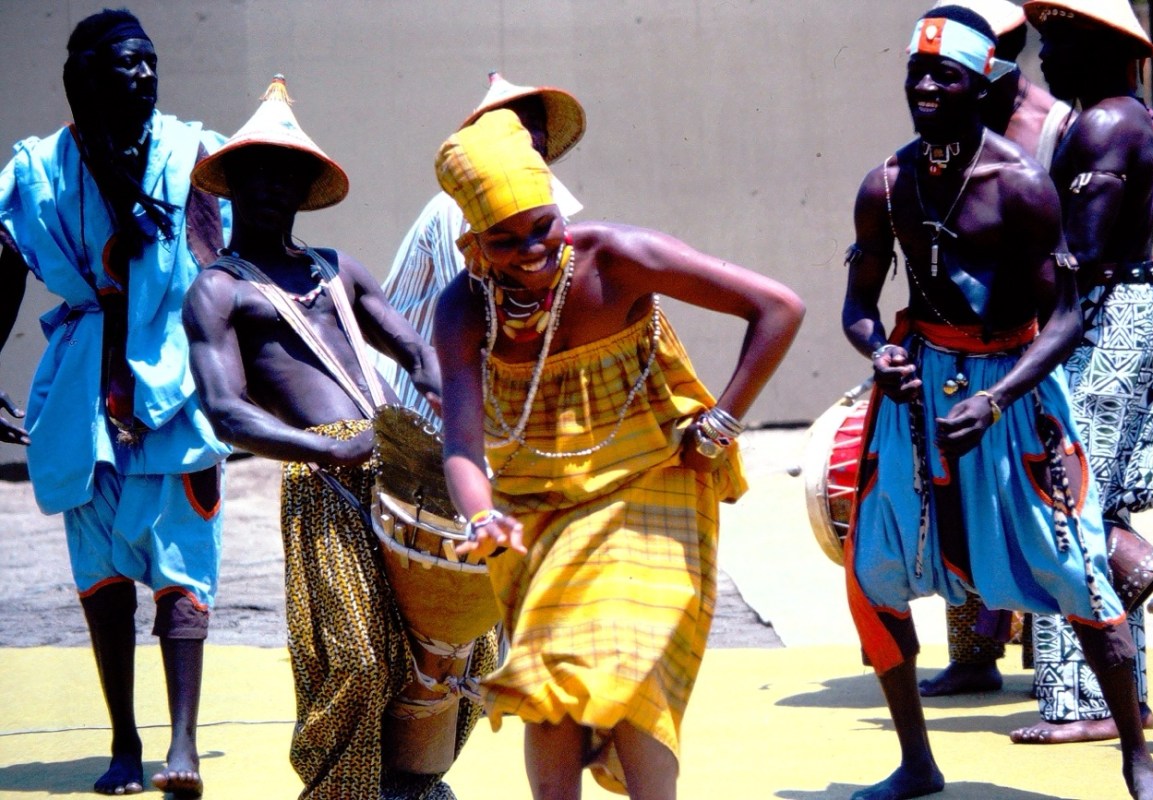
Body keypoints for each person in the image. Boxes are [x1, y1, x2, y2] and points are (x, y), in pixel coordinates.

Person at [841, 6, 1153, 800]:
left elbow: (1064, 317)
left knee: (1077, 568)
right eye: (915, 73)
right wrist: (878, 351)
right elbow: (857, 303)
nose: (925, 86)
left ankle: (1137, 759)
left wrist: (996, 400)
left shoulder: (1022, 187)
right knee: (876, 569)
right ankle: (918, 763)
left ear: (983, 82)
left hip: (1014, 393)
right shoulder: (885, 185)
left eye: (944, 75)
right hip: (918, 392)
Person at [432, 109, 802, 798]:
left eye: (541, 227)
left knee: (624, 664)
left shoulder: (619, 258)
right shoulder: (463, 309)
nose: (531, 251)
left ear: (558, 209)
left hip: (653, 482)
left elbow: (778, 308)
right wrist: (482, 517)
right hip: (535, 510)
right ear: (474, 241)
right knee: (544, 682)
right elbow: (460, 441)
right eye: (505, 241)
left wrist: (719, 425)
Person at [183, 76, 493, 800]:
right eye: (257, 172)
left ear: (304, 188)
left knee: (459, 642)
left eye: (286, 174)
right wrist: (327, 450)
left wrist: (460, 433)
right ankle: (339, 792)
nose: (271, 186)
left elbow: (418, 356)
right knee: (355, 657)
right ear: (232, 184)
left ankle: (416, 781)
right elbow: (225, 411)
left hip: (400, 460)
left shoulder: (338, 270)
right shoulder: (219, 291)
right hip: (321, 478)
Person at [0, 10, 230, 796]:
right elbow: (4, 267)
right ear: (86, 77)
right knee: (99, 579)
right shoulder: (38, 170)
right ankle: (124, 742)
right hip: (80, 402)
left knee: (182, 570)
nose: (144, 76)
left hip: (174, 391)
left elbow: (221, 267)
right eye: (126, 64)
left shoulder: (193, 156)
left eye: (151, 62)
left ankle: (184, 744)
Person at [1009, 0, 1153, 745]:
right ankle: (1119, 697)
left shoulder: (1105, 125)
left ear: (1099, 46)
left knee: (1072, 496)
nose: (1043, 58)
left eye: (1057, 41)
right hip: (1118, 308)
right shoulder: (1118, 118)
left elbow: (1075, 257)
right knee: (1081, 495)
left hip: (1102, 317)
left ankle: (1088, 703)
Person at [920, 0, 1077, 699]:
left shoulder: (1052, 125)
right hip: (960, 343)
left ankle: (1055, 667)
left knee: (1040, 502)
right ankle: (977, 649)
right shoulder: (946, 122)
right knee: (956, 492)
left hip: (1040, 331)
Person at [374, 72, 585, 425]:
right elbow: (480, 313)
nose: (527, 137)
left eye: (534, 126)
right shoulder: (456, 209)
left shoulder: (550, 209)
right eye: (512, 127)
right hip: (424, 403)